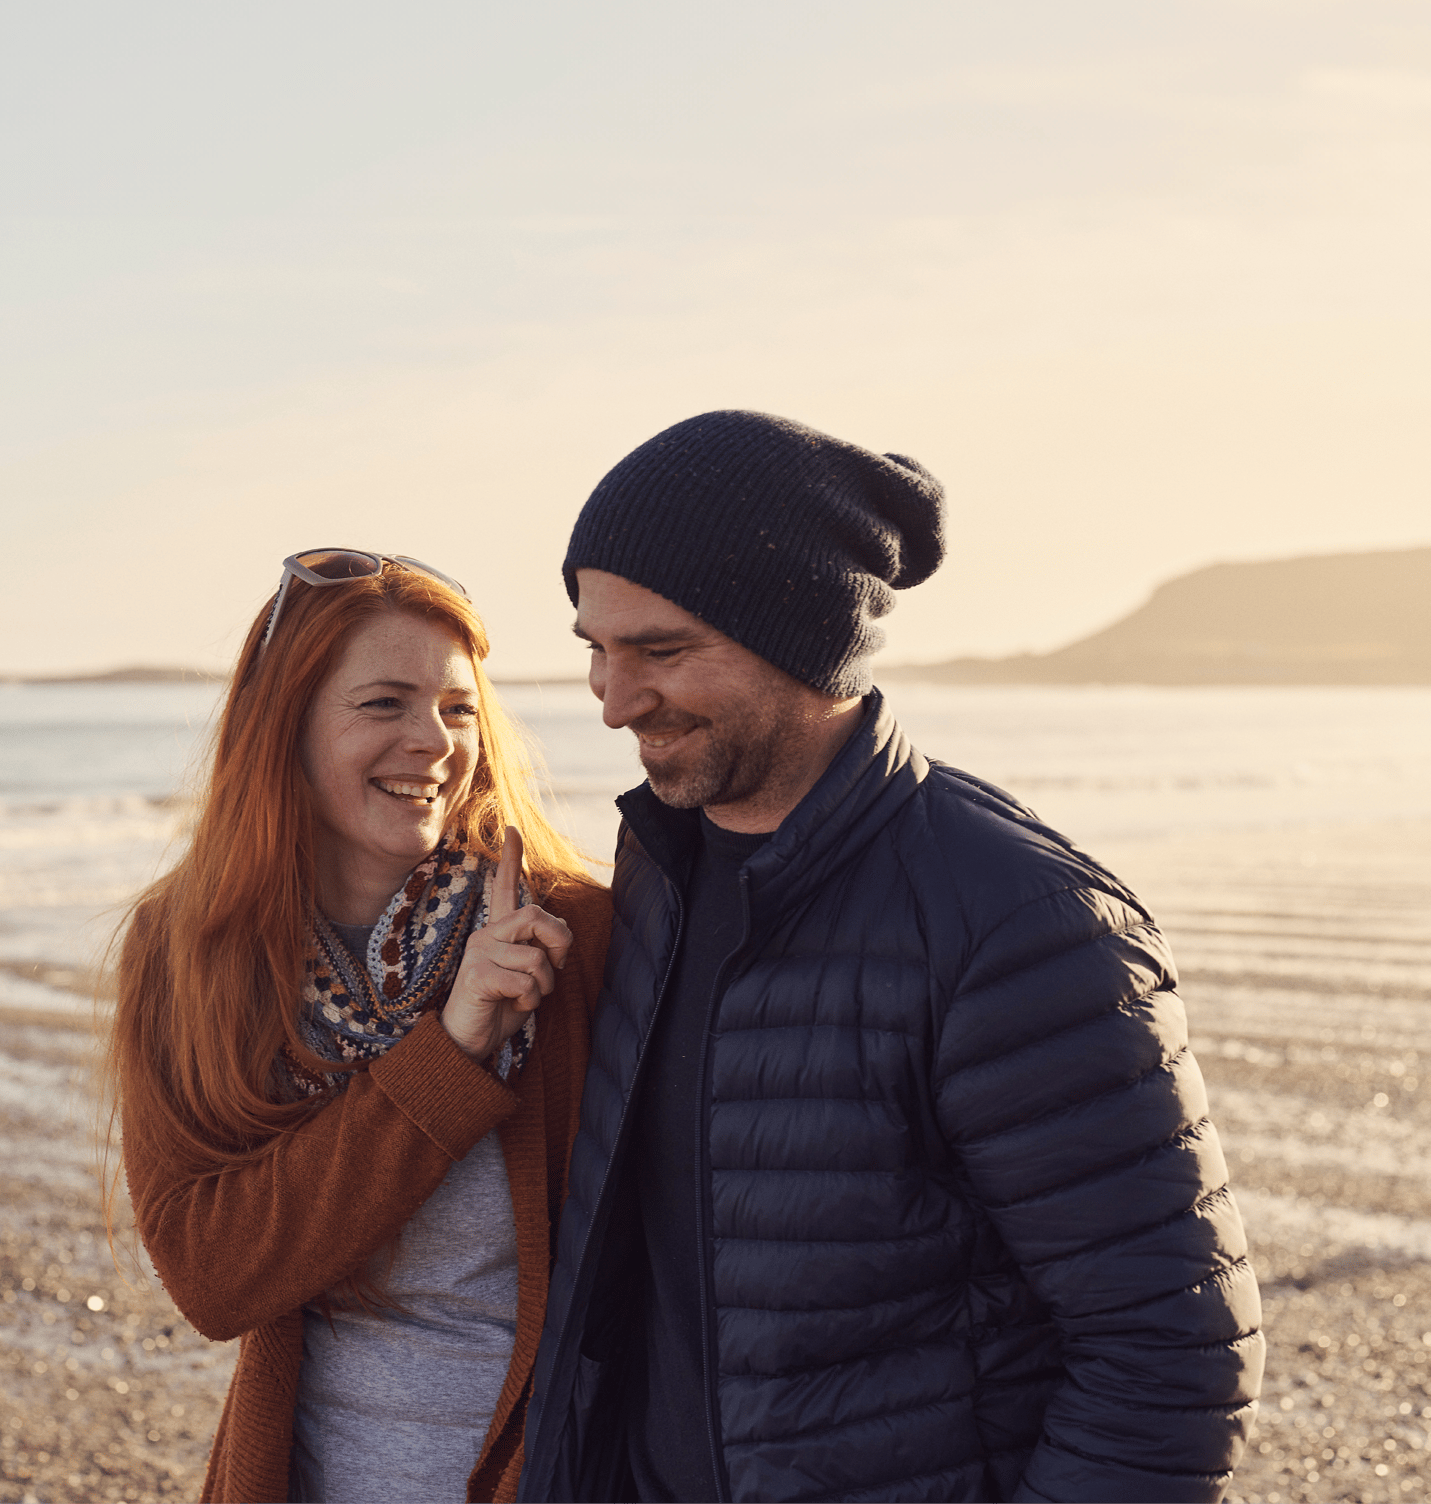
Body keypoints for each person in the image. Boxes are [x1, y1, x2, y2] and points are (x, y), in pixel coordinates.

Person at [519, 413, 1264, 1504]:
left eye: (661, 651)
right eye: (595, 647)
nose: (614, 700)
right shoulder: (652, 873)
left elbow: (1170, 1355)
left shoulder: (1016, 920)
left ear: (802, 637)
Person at [103, 550, 610, 1504]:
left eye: (459, 709)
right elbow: (212, 1276)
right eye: (383, 704)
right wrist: (450, 1049)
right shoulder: (191, 950)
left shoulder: (571, 936)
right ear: (283, 727)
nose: (434, 741)